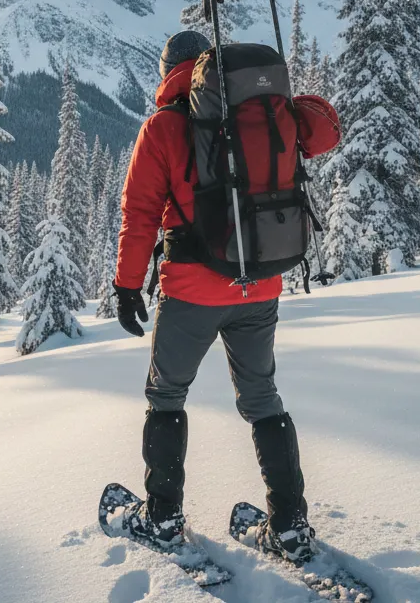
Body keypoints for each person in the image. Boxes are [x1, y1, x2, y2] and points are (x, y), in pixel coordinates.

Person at [112, 29, 340, 564]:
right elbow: (326, 130)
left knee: (166, 395)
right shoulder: (258, 116)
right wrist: (281, 99)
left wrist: (126, 286)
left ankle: (163, 518)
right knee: (262, 399)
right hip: (259, 284)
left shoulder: (164, 127)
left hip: (191, 291)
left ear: (170, 72)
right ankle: (289, 526)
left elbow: (140, 215)